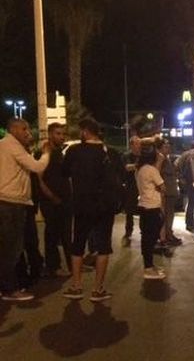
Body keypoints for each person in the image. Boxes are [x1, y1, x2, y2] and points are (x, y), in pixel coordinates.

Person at [62, 118, 114, 302]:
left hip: (82, 205)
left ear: (85, 132)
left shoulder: (74, 151)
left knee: (78, 244)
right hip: (105, 206)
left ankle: (76, 286)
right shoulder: (110, 152)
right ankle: (98, 289)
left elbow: (64, 173)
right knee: (103, 247)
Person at [0, 118, 49, 301]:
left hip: (8, 201)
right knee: (12, 248)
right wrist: (46, 153)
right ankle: (10, 290)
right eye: (24, 128)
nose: (28, 132)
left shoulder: (4, 145)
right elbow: (37, 166)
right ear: (13, 129)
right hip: (12, 202)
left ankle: (6, 286)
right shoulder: (12, 146)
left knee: (7, 247)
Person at [38, 122, 72, 277]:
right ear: (50, 134)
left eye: (62, 134)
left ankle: (72, 265)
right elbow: (39, 178)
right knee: (52, 234)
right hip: (50, 201)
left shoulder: (59, 152)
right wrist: (51, 196)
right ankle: (53, 266)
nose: (61, 136)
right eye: (58, 133)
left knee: (66, 234)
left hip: (65, 200)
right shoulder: (43, 153)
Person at [135, 144, 167, 280]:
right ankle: (148, 269)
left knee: (146, 237)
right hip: (152, 207)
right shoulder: (151, 170)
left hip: (143, 206)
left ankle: (149, 266)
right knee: (150, 238)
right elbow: (163, 187)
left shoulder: (140, 169)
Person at [156, 139, 182, 246]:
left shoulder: (167, 159)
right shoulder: (160, 159)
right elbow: (157, 173)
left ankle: (169, 233)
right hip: (166, 192)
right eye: (165, 146)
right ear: (160, 148)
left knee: (170, 214)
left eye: (168, 146)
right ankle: (167, 235)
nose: (168, 148)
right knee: (167, 215)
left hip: (171, 191)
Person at [175, 140, 194, 232]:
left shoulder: (184, 154)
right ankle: (190, 224)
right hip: (192, 181)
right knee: (193, 203)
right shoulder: (192, 155)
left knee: (191, 202)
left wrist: (181, 177)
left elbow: (176, 165)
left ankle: (189, 222)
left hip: (187, 182)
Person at [122, 136, 142, 247]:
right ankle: (128, 233)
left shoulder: (144, 155)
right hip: (131, 186)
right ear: (132, 145)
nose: (139, 146)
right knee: (129, 211)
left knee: (144, 210)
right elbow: (126, 167)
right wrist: (137, 165)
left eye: (140, 143)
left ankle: (144, 231)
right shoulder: (127, 156)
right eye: (137, 144)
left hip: (142, 186)